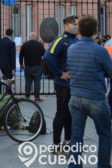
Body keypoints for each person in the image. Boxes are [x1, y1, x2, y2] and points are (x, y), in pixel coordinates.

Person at [67, 15, 112, 167]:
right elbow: (110, 71)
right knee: (105, 134)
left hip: (75, 97)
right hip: (96, 98)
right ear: (96, 31)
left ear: (78, 30)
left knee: (76, 137)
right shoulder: (100, 51)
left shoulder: (71, 49)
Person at [43, 15, 79, 155]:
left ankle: (68, 142)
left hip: (73, 85)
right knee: (61, 114)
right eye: (74, 24)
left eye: (77, 23)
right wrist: (60, 74)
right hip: (63, 85)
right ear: (66, 26)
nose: (76, 26)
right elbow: (48, 57)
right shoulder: (60, 40)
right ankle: (56, 145)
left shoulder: (75, 40)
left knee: (69, 114)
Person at [19, 32, 45, 101]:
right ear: (36, 37)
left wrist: (21, 64)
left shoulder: (25, 45)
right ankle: (37, 97)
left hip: (28, 66)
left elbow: (21, 55)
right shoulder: (39, 44)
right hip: (37, 66)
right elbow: (44, 54)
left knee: (28, 82)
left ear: (29, 37)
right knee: (37, 82)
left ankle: (27, 96)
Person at [0, 28, 16, 93]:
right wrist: (13, 68)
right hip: (8, 65)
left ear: (5, 33)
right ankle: (8, 95)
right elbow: (12, 56)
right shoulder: (11, 43)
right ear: (11, 34)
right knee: (8, 81)